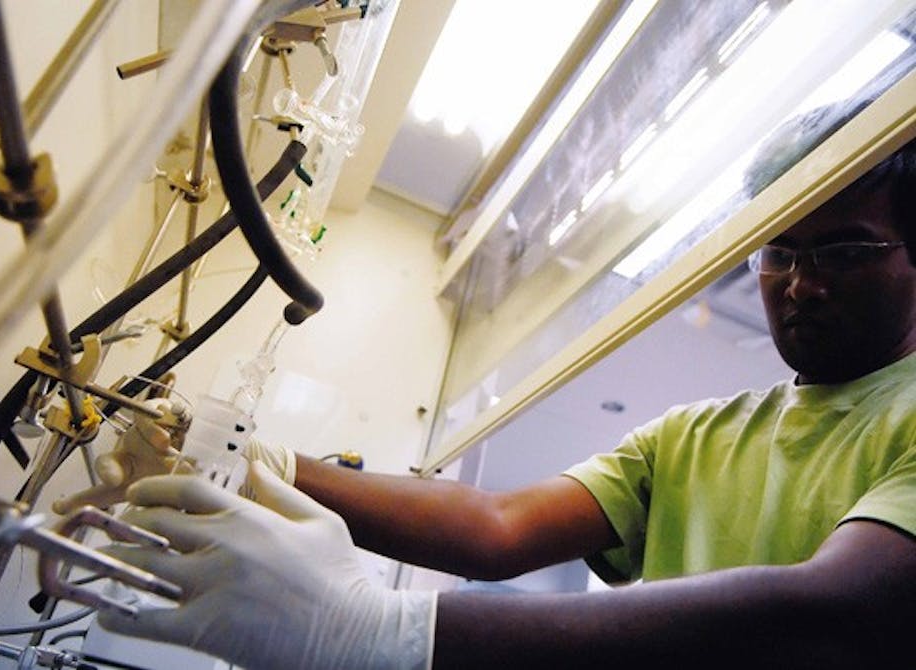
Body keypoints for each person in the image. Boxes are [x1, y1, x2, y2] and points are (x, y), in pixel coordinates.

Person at [70, 119, 915, 668]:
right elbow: (497, 526)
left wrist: (385, 635)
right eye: (780, 253)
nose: (802, 284)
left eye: (845, 253)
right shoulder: (697, 436)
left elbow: (833, 607)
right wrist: (264, 463)